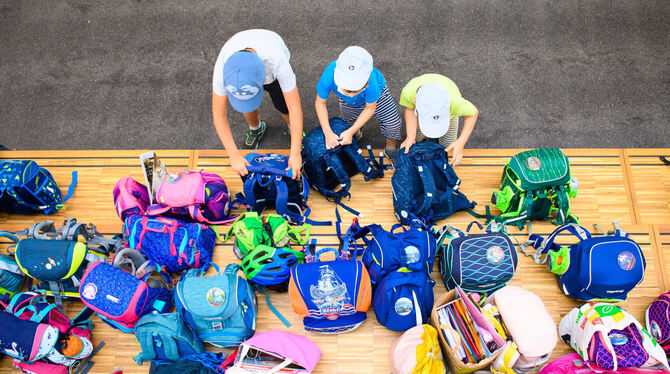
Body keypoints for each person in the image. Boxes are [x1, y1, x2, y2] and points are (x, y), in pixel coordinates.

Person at [211, 29, 303, 178]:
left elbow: (295, 108)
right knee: (248, 108)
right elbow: (219, 114)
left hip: (271, 62)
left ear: (265, 72)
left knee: (283, 105)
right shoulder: (223, 69)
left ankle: (293, 129)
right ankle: (256, 129)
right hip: (248, 68)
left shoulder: (277, 61)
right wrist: (233, 155)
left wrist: (295, 152)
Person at [314, 46, 402, 164]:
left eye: (355, 90)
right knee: (348, 122)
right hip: (349, 104)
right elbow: (320, 103)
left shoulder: (372, 83)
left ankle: (390, 149)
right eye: (346, 90)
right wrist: (328, 132)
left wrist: (350, 131)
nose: (351, 95)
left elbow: (370, 108)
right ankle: (355, 134)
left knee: (393, 123)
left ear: (365, 82)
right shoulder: (329, 74)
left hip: (378, 98)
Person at [398, 73, 479, 166]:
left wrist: (461, 142)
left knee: (448, 145)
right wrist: (410, 137)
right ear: (415, 100)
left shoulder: (455, 103)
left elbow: (473, 113)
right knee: (416, 139)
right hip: (421, 111)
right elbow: (410, 110)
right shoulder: (409, 92)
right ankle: (422, 139)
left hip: (450, 113)